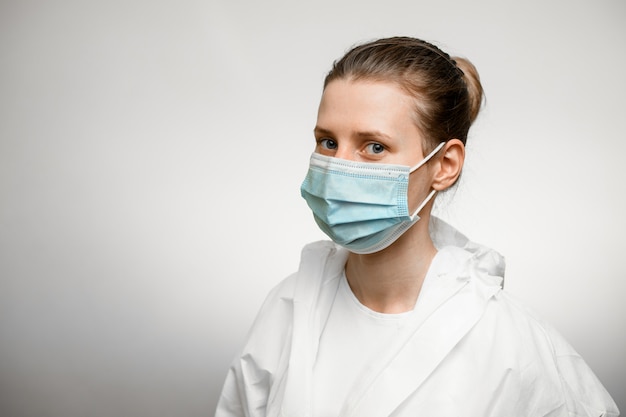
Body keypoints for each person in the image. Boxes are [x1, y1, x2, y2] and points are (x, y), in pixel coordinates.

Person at [214, 36, 619, 417]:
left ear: (444, 166)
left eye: (374, 146)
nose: (338, 166)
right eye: (328, 142)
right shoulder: (286, 309)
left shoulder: (510, 342)